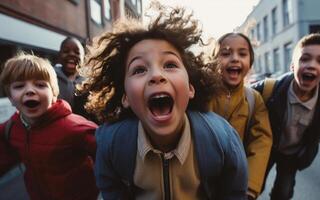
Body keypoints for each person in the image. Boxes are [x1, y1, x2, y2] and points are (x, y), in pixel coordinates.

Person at [78, 4, 248, 200]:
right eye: (139, 69)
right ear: (125, 96)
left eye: (169, 64)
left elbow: (234, 193)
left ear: (191, 87)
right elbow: (111, 190)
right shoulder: (111, 143)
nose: (156, 75)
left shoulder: (221, 139)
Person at [253, 33, 320, 200]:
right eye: (305, 59)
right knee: (253, 185)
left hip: (293, 155)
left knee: (283, 192)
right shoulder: (269, 89)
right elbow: (240, 98)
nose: (311, 66)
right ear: (293, 66)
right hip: (266, 149)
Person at [0, 53, 98, 200]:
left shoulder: (75, 128)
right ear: (10, 98)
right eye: (19, 86)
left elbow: (111, 157)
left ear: (53, 94)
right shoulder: (11, 127)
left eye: (40, 85)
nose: (29, 90)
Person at [209, 32, 272, 200]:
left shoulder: (253, 99)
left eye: (242, 54)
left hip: (235, 179)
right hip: (200, 176)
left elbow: (261, 141)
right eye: (226, 53)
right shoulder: (202, 93)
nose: (235, 58)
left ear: (250, 62)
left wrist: (250, 186)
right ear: (214, 60)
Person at [54, 36, 88, 115]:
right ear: (59, 55)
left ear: (83, 57)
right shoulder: (51, 78)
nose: (72, 54)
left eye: (77, 52)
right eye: (66, 51)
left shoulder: (88, 81)